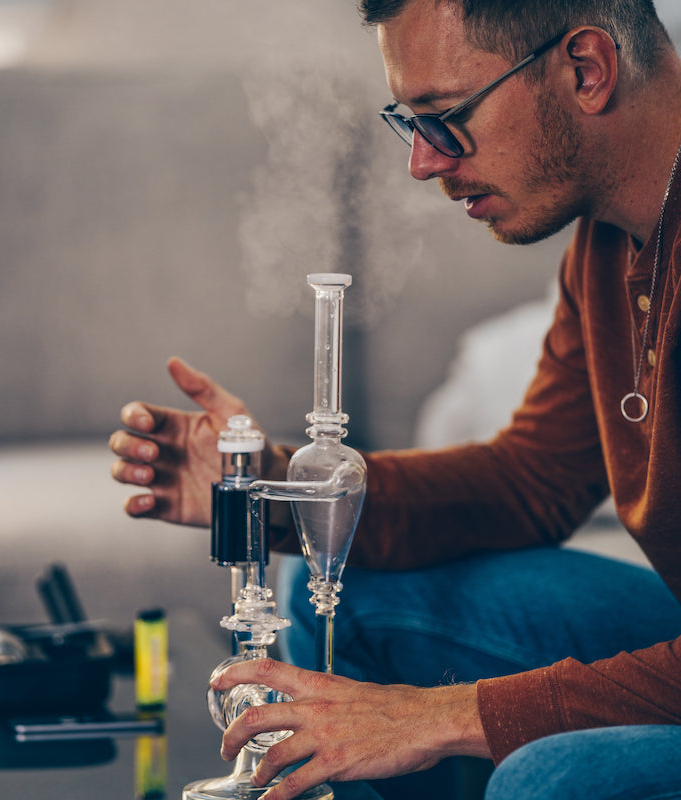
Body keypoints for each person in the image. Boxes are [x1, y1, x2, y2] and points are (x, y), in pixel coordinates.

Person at [109, 1, 681, 798]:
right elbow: (533, 482)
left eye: (445, 117)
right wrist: (283, 489)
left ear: (586, 70)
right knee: (353, 589)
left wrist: (439, 715)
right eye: (408, 123)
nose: (422, 162)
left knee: (552, 778)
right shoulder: (610, 243)